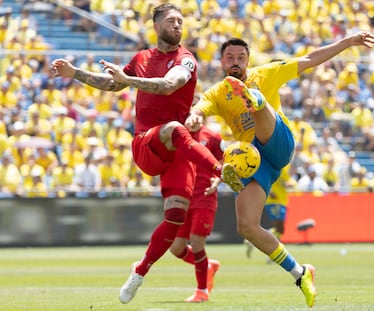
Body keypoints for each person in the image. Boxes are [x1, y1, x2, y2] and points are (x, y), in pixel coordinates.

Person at [50, 3, 242, 305]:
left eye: (181, 20)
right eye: (171, 20)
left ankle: (139, 271)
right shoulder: (141, 58)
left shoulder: (186, 60)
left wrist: (130, 82)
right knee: (177, 128)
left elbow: (169, 85)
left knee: (176, 216)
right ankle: (222, 171)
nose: (178, 25)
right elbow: (113, 84)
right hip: (148, 143)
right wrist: (75, 73)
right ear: (156, 25)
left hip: (179, 151)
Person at [185, 32, 374, 308]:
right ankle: (301, 273)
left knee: (256, 110)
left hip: (278, 140)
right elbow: (201, 108)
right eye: (230, 58)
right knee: (247, 226)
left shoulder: (266, 73)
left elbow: (310, 59)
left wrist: (348, 42)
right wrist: (195, 116)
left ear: (248, 60)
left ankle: (256, 101)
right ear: (222, 62)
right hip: (257, 162)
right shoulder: (217, 92)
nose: (236, 61)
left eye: (241, 57)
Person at [169, 123, 222, 303]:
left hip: (204, 196)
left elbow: (223, 162)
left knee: (197, 241)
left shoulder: (212, 136)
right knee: (176, 248)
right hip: (184, 197)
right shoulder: (177, 134)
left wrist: (217, 180)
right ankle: (207, 265)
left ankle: (202, 291)